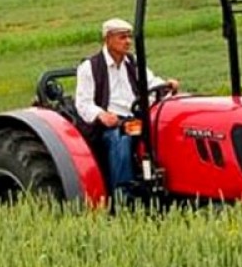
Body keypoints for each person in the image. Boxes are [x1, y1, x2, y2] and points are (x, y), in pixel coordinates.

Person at [75, 18, 179, 199]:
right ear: (108, 39)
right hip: (108, 125)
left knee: (164, 130)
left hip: (136, 118)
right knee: (120, 138)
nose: (128, 42)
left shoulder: (133, 62)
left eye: (129, 37)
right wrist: (102, 114)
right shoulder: (89, 67)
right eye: (122, 37)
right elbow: (83, 103)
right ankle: (123, 194)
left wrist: (166, 84)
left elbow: (151, 82)